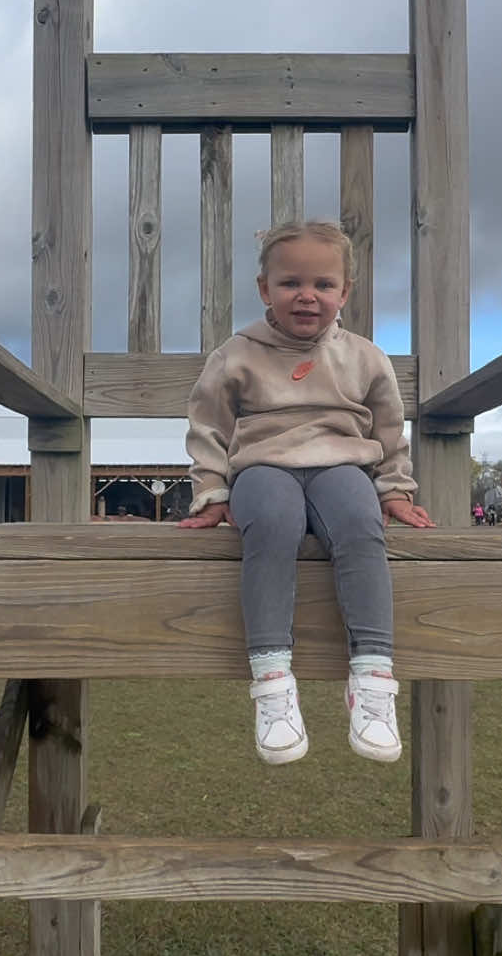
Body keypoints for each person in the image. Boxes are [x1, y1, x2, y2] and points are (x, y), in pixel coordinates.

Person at [178, 219, 434, 766]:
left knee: (360, 522)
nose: (307, 296)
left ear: (345, 292)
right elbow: (209, 424)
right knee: (272, 521)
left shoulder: (364, 357)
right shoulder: (237, 354)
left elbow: (388, 431)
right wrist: (212, 492)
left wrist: (393, 490)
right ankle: (271, 678)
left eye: (323, 284)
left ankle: (371, 676)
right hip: (263, 467)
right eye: (291, 282)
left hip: (342, 465)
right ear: (264, 289)